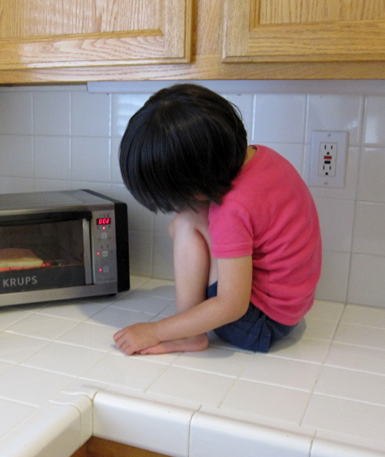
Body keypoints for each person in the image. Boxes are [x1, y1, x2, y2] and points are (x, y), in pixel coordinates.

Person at [113, 84, 322, 355]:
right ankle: (189, 328)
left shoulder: (233, 208)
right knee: (189, 217)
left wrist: (156, 330)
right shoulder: (264, 156)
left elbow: (232, 306)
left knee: (185, 222)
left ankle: (189, 336)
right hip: (290, 311)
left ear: (197, 179)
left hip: (259, 326)